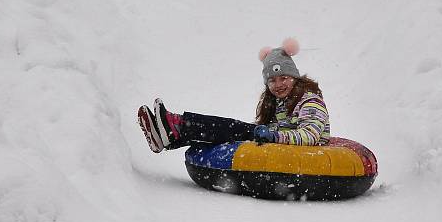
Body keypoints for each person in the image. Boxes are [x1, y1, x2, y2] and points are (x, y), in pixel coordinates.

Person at [137, 37, 331, 153]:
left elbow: (309, 136)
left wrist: (272, 136)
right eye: (272, 80)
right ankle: (171, 136)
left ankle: (176, 126)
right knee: (233, 131)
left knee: (236, 129)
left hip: (304, 156)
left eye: (284, 78)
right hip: (282, 148)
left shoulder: (310, 100)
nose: (278, 85)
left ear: (295, 77)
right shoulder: (279, 103)